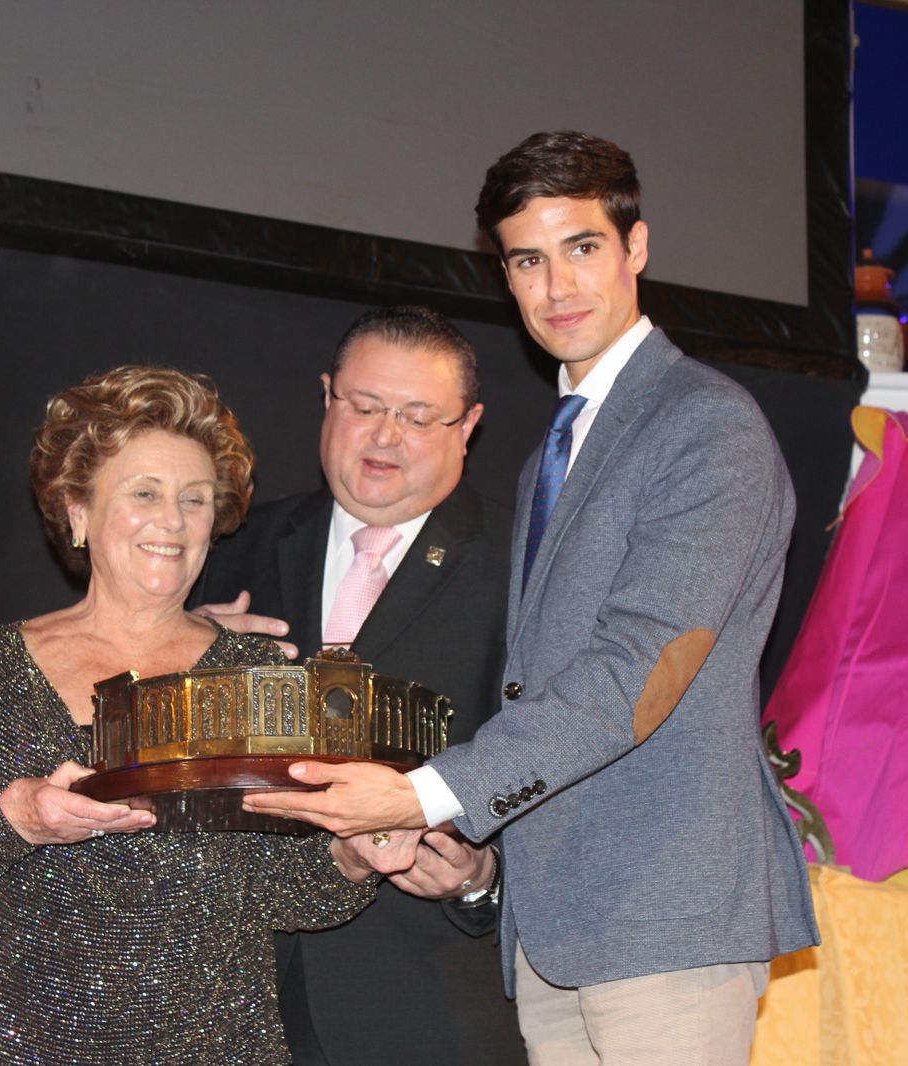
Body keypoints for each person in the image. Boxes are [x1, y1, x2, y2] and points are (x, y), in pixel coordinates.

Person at [245, 131, 819, 1063]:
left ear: (636, 249)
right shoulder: (563, 445)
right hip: (556, 931)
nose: (557, 287)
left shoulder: (705, 426)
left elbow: (645, 670)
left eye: (582, 248)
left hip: (660, 915)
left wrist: (423, 795)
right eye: (527, 260)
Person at [0, 365, 396, 1065]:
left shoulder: (258, 676)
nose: (173, 521)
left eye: (196, 499)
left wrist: (353, 856)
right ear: (78, 510)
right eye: (144, 493)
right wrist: (21, 816)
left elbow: (286, 893)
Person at [197, 306, 526, 1065]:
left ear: (468, 426)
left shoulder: (524, 568)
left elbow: (563, 760)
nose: (385, 436)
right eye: (367, 406)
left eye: (418, 416)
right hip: (239, 1007)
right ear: (326, 396)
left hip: (430, 1006)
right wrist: (183, 650)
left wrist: (485, 876)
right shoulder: (232, 552)